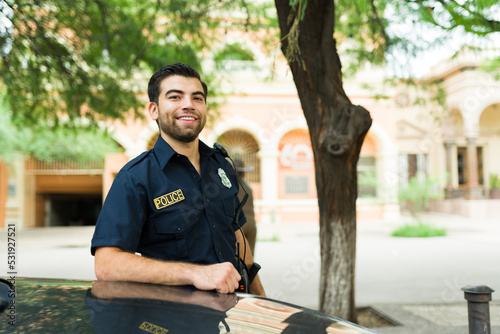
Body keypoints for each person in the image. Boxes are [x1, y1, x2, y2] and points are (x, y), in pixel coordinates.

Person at [91, 63, 264, 296]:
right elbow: (106, 264)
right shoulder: (135, 178)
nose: (188, 105)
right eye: (175, 97)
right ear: (153, 110)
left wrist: (260, 300)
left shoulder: (221, 166)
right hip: (171, 319)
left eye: (197, 98)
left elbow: (237, 237)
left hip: (228, 317)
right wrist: (195, 273)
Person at [233, 159, 257, 256]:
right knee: (250, 257)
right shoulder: (248, 186)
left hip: (239, 224)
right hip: (252, 224)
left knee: (238, 257)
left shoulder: (231, 187)